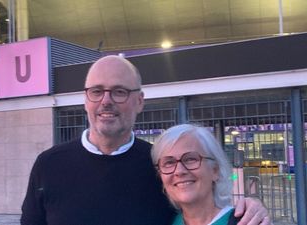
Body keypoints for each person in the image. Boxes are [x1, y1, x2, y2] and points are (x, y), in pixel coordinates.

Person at [21, 55, 271, 225]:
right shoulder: (49, 165)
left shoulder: (162, 166)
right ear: (86, 100)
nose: (106, 100)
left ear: (139, 101)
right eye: (96, 91)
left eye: (119, 91)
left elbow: (202, 211)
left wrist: (248, 209)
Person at [152, 124, 246, 225]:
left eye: (190, 159)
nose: (179, 171)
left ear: (215, 170)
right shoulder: (164, 221)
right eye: (169, 162)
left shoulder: (247, 221)